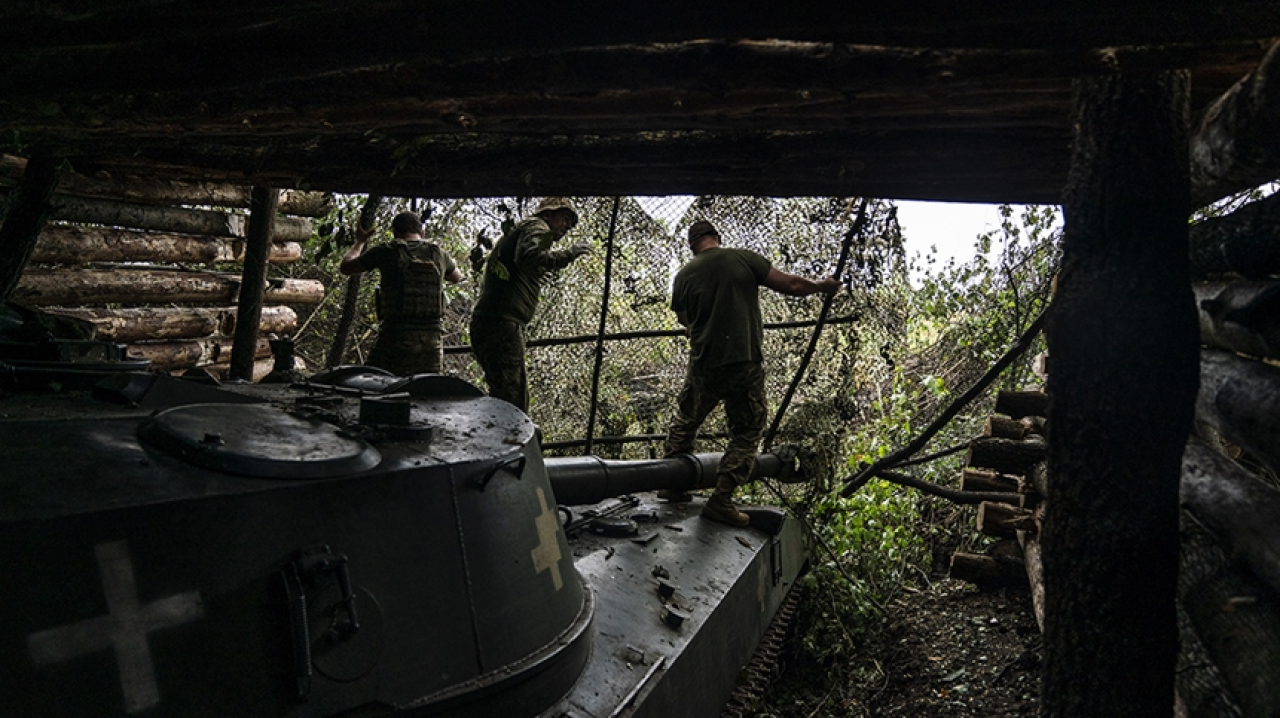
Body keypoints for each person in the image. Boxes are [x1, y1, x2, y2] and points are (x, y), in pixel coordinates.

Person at [662, 220, 841, 527]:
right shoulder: (742, 258)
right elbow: (791, 286)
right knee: (746, 431)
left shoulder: (684, 276)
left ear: (692, 246)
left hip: (704, 363)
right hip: (743, 360)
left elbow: (683, 318)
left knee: (686, 421)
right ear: (718, 237)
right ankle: (721, 499)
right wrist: (821, 287)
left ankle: (671, 484)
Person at [469, 197, 591, 412]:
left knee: (508, 396)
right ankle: (505, 444)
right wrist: (569, 254)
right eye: (564, 219)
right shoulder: (537, 226)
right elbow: (529, 256)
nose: (567, 227)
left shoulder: (523, 231)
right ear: (548, 214)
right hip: (501, 322)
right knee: (511, 402)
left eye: (570, 224)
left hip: (496, 322)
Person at [340, 211, 463, 375]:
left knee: (372, 382)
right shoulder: (438, 253)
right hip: (432, 339)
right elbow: (457, 278)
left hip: (395, 336)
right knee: (427, 391)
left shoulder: (386, 250)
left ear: (395, 232)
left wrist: (360, 242)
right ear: (422, 232)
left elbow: (346, 267)